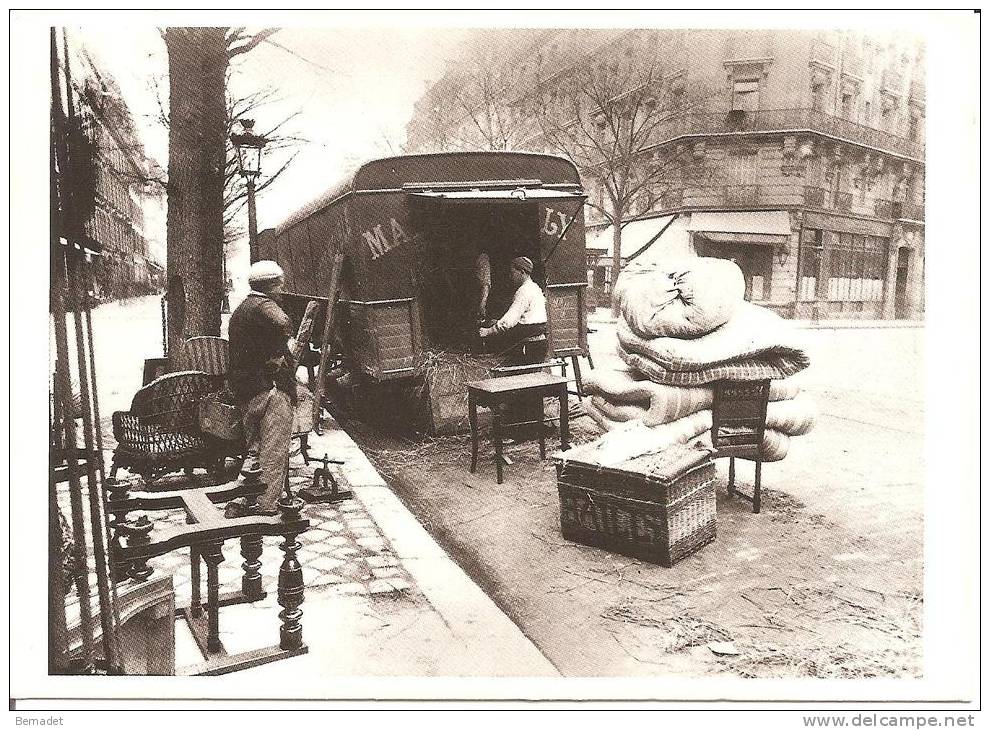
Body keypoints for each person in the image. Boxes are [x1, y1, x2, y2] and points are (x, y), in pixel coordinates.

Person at [226, 261, 297, 517]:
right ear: (271, 285)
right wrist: (280, 348)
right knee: (273, 451)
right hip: (270, 391)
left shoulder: (243, 308)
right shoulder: (264, 305)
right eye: (279, 285)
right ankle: (268, 507)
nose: (282, 290)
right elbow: (282, 322)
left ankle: (238, 502)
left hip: (247, 392)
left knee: (255, 449)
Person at [479, 256, 549, 440]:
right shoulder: (534, 289)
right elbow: (520, 317)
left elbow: (508, 322)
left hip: (529, 344)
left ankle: (521, 432)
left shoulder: (523, 292)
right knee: (530, 385)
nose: (510, 276)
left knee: (520, 387)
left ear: (522, 272)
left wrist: (488, 331)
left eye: (512, 272)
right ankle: (533, 428)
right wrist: (498, 321)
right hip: (537, 343)